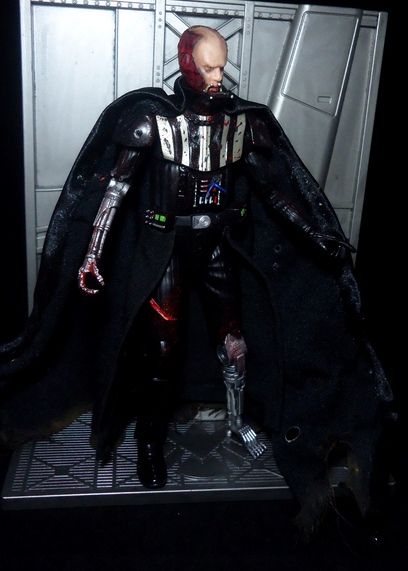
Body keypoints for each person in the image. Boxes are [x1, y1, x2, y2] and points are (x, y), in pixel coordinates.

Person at [0, 26, 391, 533]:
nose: (217, 77)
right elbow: (115, 190)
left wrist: (316, 233)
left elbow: (274, 190)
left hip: (218, 246)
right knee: (161, 351)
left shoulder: (240, 124)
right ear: (185, 63)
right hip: (165, 248)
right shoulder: (151, 120)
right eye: (207, 67)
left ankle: (237, 420)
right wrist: (92, 254)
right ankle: (149, 437)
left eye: (221, 66)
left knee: (234, 340)